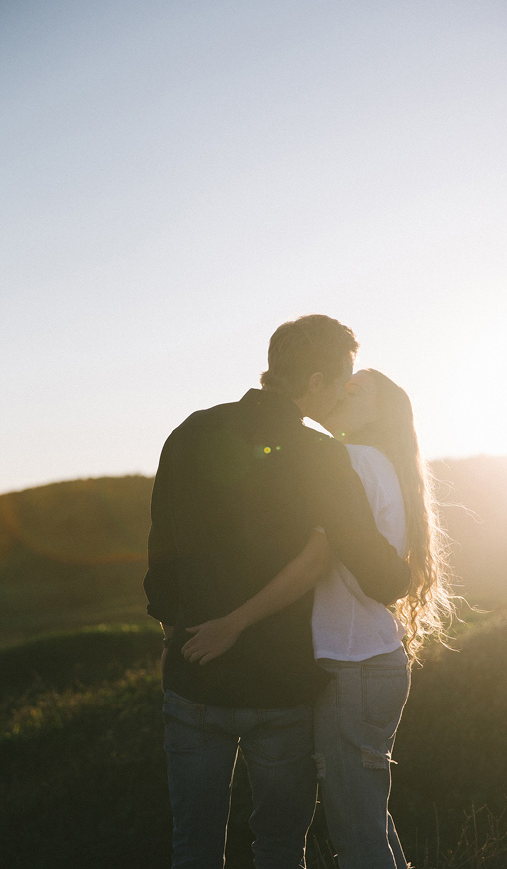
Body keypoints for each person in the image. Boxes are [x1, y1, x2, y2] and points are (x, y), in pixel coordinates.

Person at [144, 315, 411, 869]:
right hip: (279, 692)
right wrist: (405, 574)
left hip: (194, 680)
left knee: (192, 849)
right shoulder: (321, 456)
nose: (342, 392)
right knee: (280, 851)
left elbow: (160, 561)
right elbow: (377, 575)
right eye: (342, 379)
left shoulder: (190, 431)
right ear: (315, 381)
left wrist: (176, 635)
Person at [182, 368, 455, 869]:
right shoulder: (379, 462)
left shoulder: (352, 460)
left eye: (357, 388)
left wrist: (233, 622)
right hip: (370, 661)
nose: (342, 387)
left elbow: (314, 561)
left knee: (357, 837)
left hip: (352, 664)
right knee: (368, 823)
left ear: (379, 412)